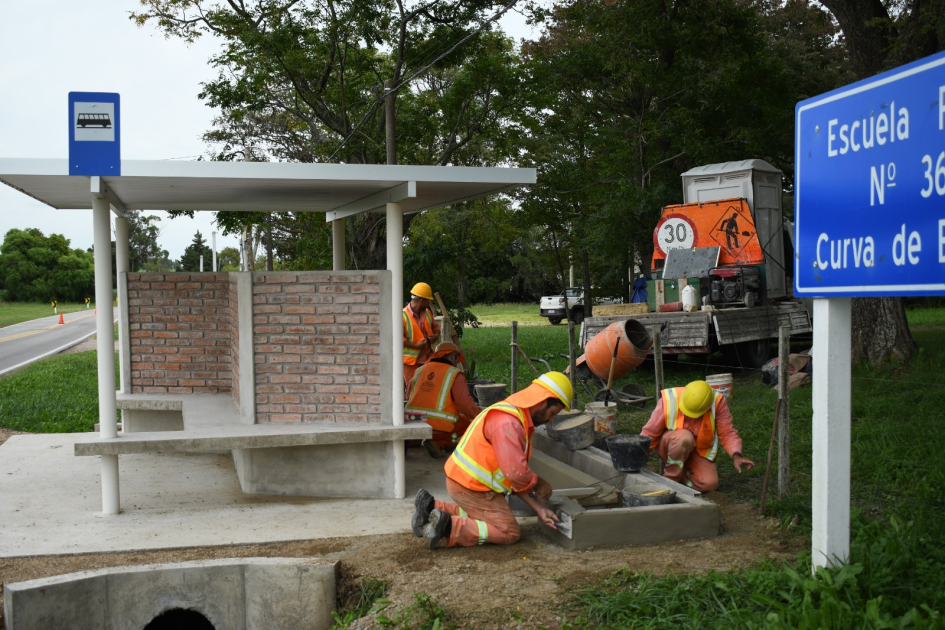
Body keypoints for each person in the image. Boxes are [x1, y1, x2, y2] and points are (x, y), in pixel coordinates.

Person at [411, 372, 573, 550]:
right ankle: (450, 527)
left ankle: (431, 507)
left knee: (486, 516)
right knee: (509, 532)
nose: (550, 420)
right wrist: (539, 483)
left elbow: (513, 479)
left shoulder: (511, 413)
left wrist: (539, 509)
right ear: (543, 401)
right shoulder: (508, 423)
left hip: (464, 482)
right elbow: (517, 474)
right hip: (472, 487)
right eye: (552, 413)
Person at [641, 380, 755, 491]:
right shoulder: (670, 400)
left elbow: (727, 433)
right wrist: (638, 458)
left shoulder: (717, 403)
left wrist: (736, 455)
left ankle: (682, 477)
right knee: (684, 438)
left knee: (709, 484)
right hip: (670, 445)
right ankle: (670, 481)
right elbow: (649, 433)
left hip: (698, 450)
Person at [405, 342, 481, 458]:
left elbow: (408, 396)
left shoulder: (419, 370)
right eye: (457, 358)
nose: (457, 363)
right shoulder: (454, 374)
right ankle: (441, 442)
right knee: (466, 423)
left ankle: (413, 441)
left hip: (413, 422)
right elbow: (464, 404)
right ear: (452, 356)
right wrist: (480, 415)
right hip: (437, 427)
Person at [403, 282, 441, 388]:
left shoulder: (427, 312)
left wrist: (436, 335)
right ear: (421, 300)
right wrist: (416, 346)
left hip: (429, 359)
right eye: (428, 300)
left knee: (430, 389)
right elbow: (398, 339)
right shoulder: (402, 316)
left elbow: (436, 328)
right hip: (411, 363)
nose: (429, 302)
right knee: (413, 391)